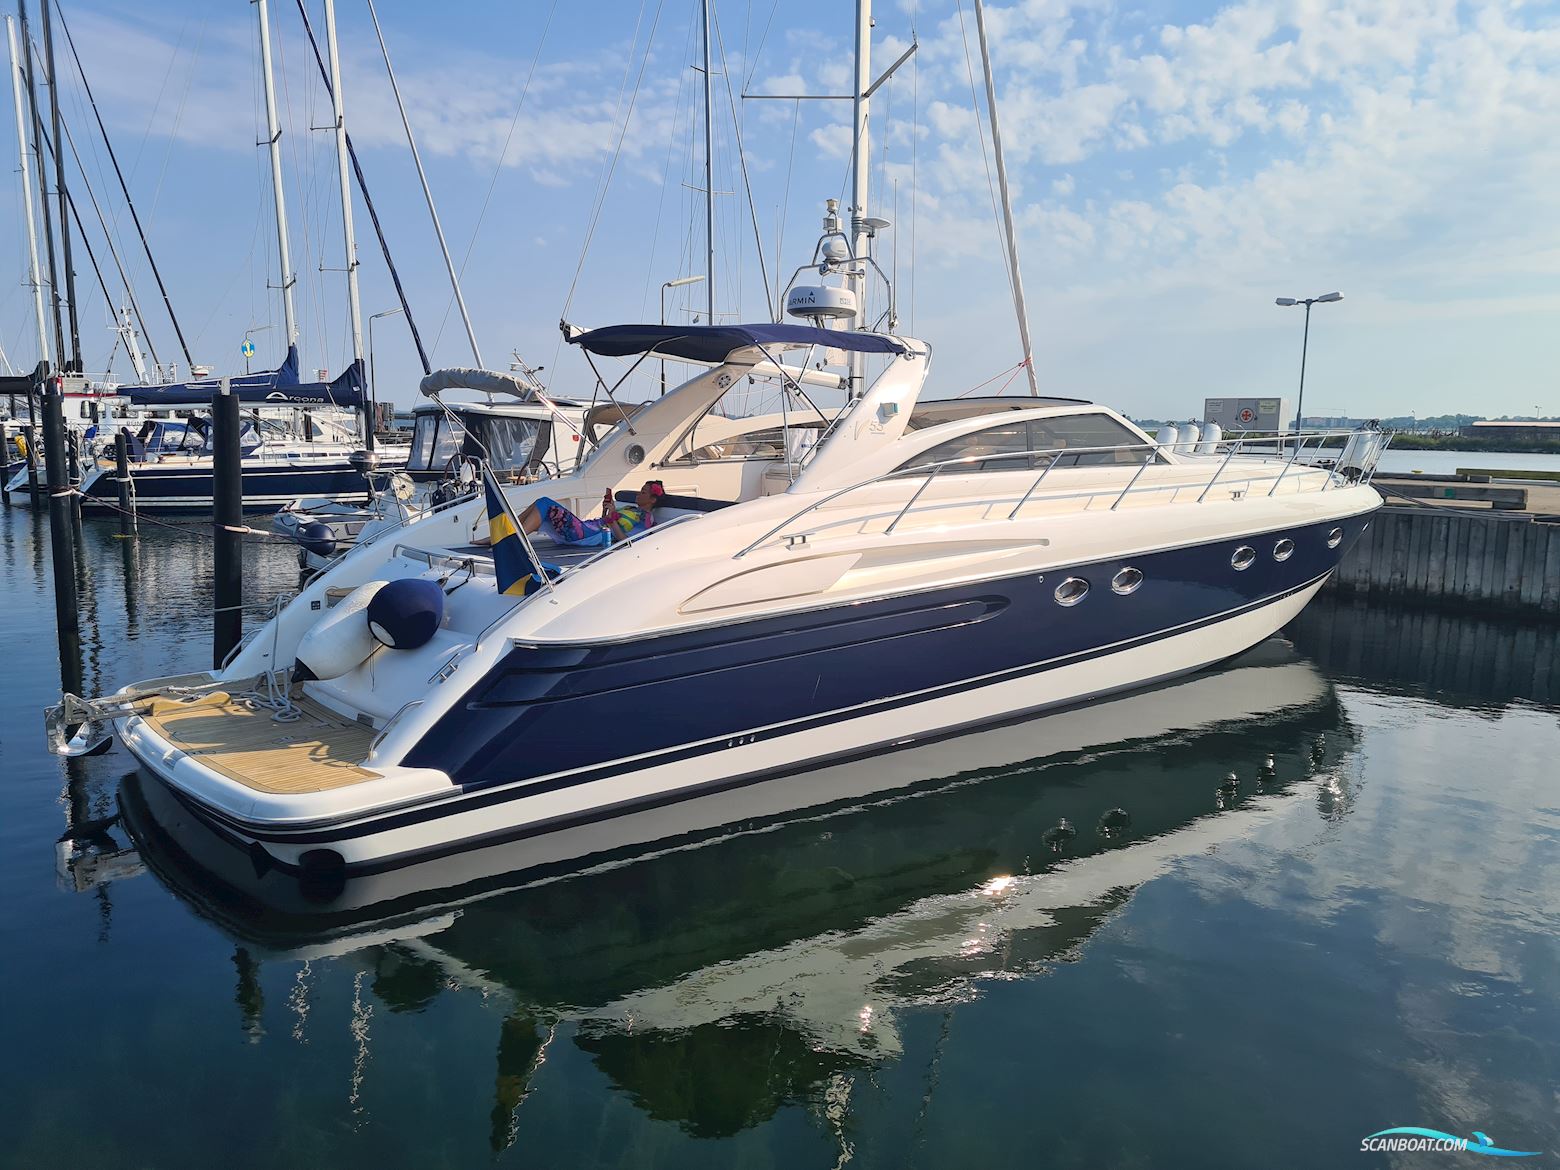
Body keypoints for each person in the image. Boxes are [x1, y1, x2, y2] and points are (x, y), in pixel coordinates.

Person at [519, 480, 665, 547]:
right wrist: (607, 510)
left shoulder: (646, 519)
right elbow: (605, 521)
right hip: (587, 529)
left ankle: (515, 538)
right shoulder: (631, 509)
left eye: (643, 492)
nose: (638, 494)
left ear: (652, 499)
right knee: (541, 503)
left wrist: (612, 518)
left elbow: (626, 541)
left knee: (545, 503)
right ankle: (513, 532)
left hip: (586, 534)